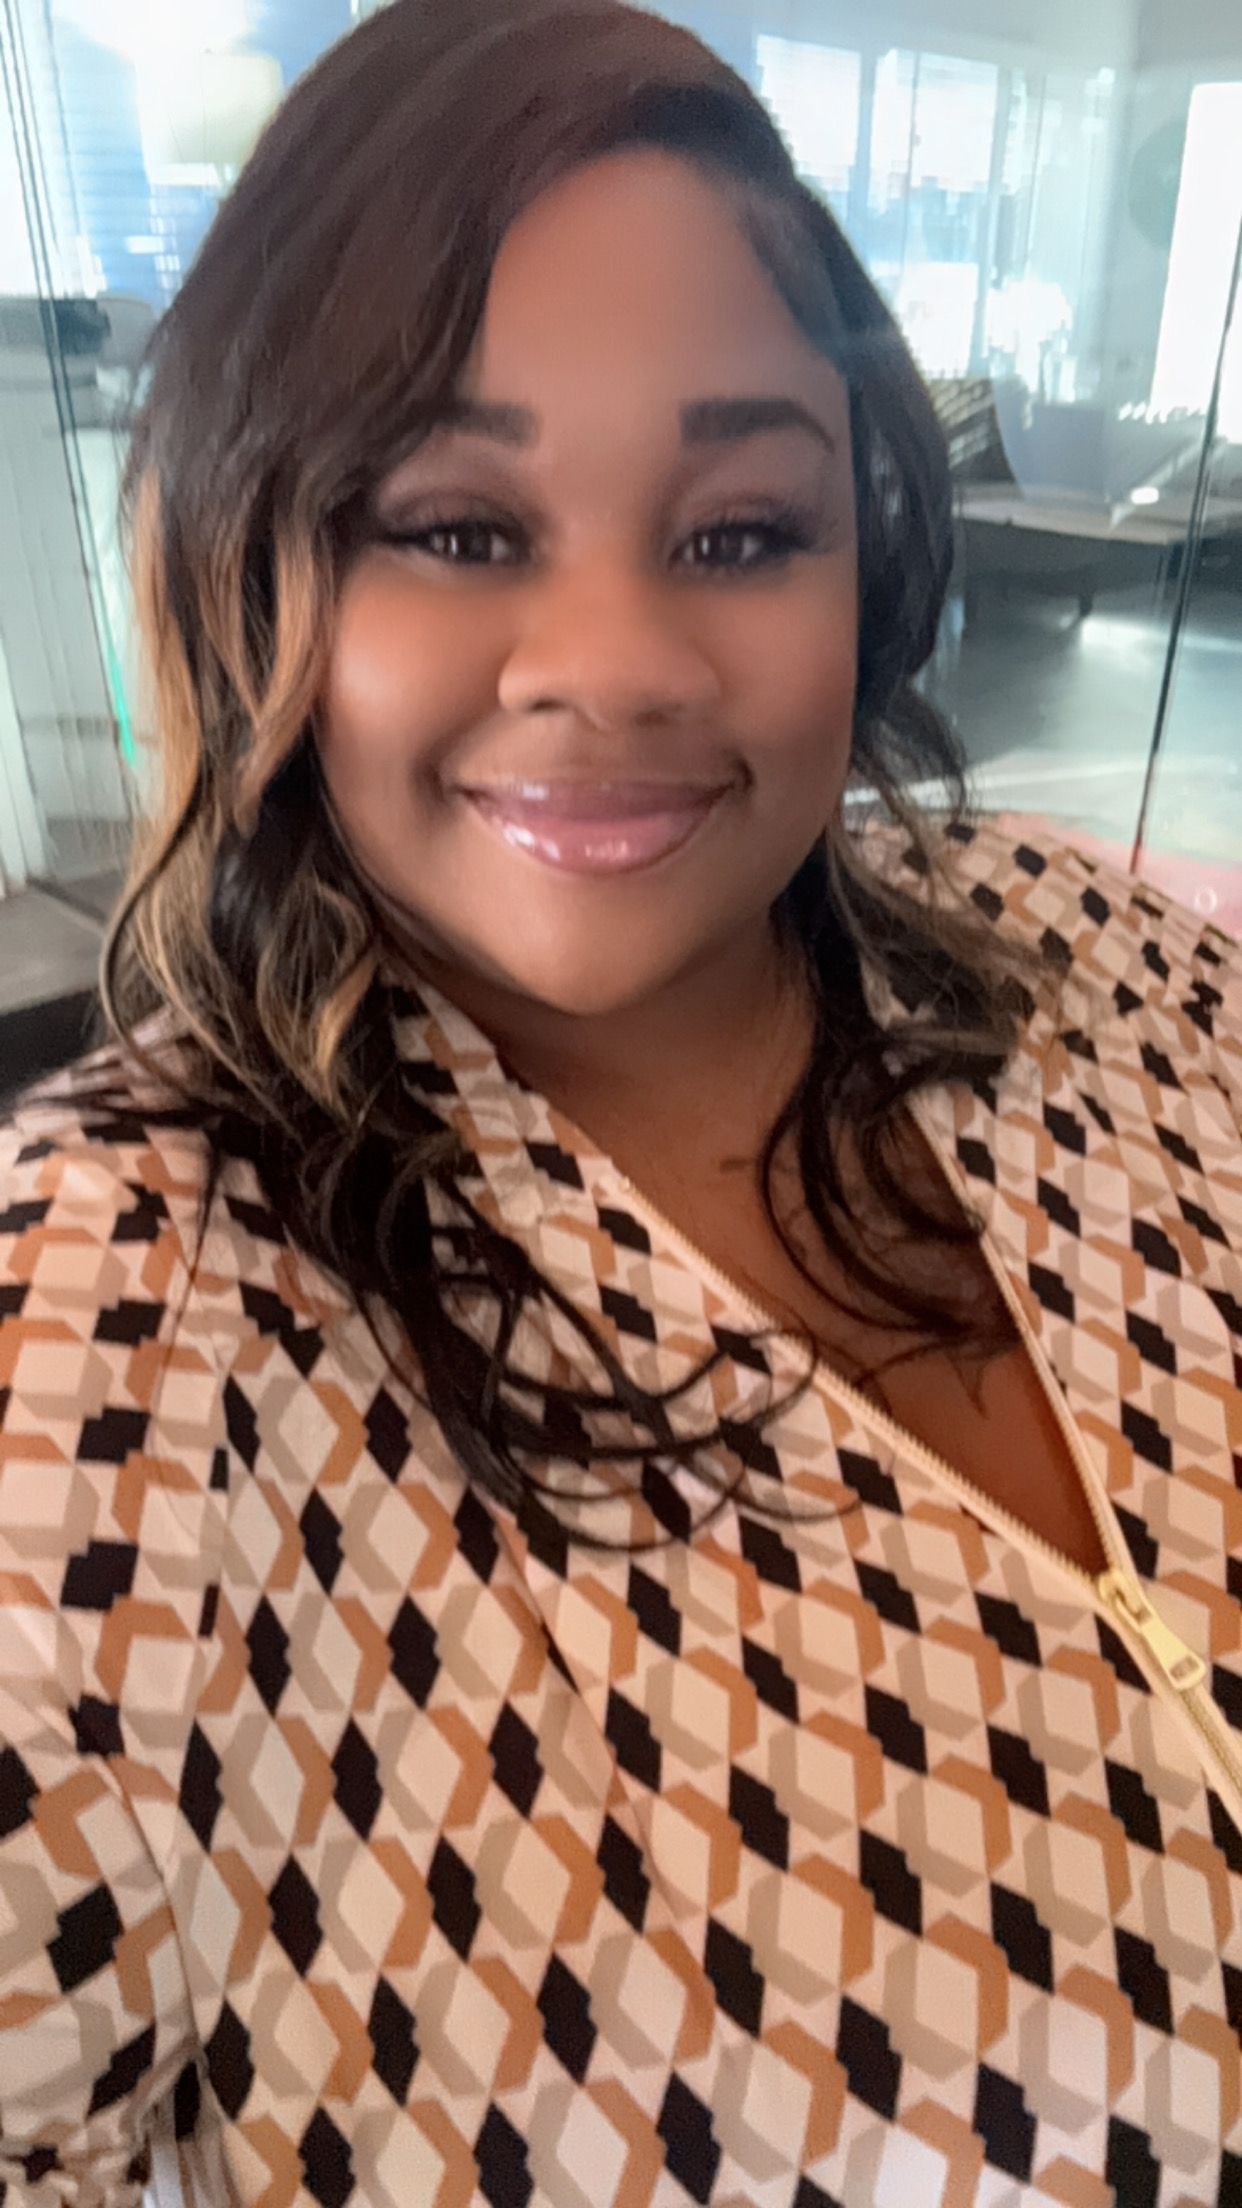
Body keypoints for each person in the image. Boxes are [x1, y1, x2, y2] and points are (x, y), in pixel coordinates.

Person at [1, 2, 1239, 2200]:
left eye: (742, 529)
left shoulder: (1111, 970)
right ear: (247, 548)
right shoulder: (120, 1307)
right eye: (460, 530)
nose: (618, 664)